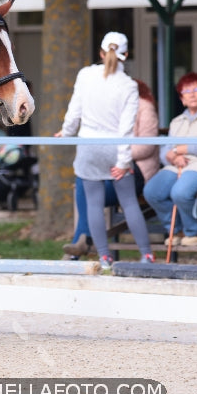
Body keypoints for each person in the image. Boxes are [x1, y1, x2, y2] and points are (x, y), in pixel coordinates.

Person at [55, 32, 154, 269]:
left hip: (88, 146)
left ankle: (104, 258)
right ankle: (147, 255)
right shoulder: (129, 85)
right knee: (129, 202)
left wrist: (66, 132)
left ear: (101, 53)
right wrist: (123, 162)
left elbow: (74, 111)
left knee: (93, 205)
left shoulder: (85, 75)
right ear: (126, 55)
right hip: (114, 146)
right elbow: (126, 127)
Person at [63, 79, 160, 258]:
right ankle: (85, 241)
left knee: (91, 190)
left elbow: (147, 145)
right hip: (111, 164)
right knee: (83, 184)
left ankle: (86, 243)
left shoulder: (144, 107)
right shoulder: (109, 107)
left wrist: (120, 157)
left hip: (136, 168)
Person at [143, 72, 197, 247]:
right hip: (176, 165)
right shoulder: (177, 121)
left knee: (180, 192)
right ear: (182, 98)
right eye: (186, 90)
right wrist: (174, 157)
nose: (191, 93)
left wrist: (177, 149)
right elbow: (165, 152)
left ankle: (195, 230)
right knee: (152, 192)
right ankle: (177, 229)